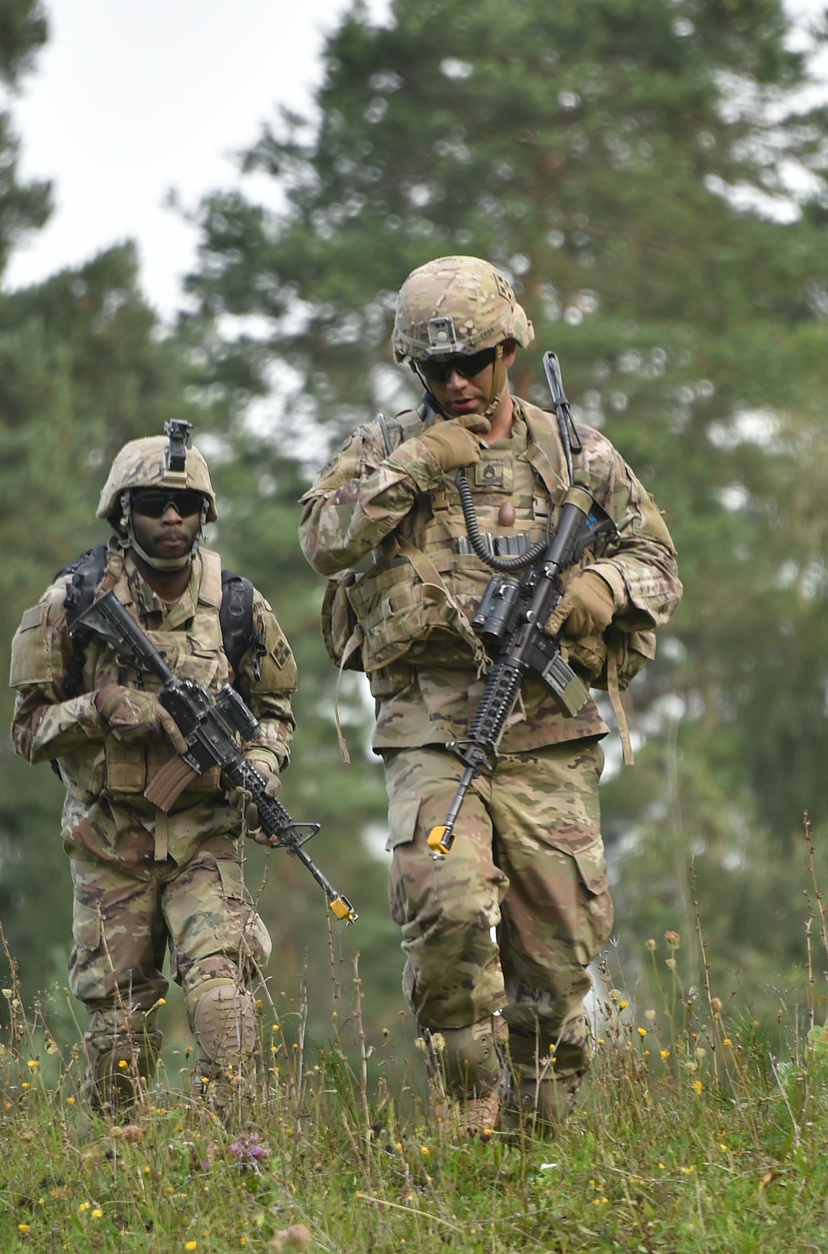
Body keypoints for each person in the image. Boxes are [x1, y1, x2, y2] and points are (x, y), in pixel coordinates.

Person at [298, 256, 681, 1138]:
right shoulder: (384, 448)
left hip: (547, 732)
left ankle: (534, 1150)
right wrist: (418, 463)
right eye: (439, 370)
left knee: (556, 957)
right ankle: (464, 1089)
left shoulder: (574, 452)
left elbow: (658, 561)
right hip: (434, 726)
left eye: (475, 361)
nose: (460, 383)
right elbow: (322, 538)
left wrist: (598, 593)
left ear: (509, 349)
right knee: (446, 899)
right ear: (414, 371)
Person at [10, 421, 297, 1113]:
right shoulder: (72, 604)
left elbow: (278, 707)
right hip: (112, 840)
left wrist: (261, 765)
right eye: (152, 503)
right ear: (121, 511)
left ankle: (230, 1157)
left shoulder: (236, 605)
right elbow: (27, 729)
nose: (172, 517)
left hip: (205, 835)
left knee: (226, 1007)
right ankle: (121, 1167)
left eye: (187, 505)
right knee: (120, 1035)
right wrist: (102, 707)